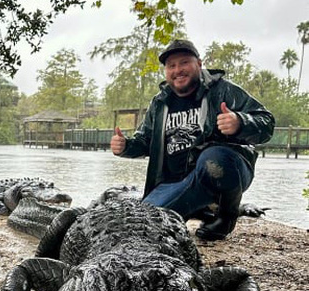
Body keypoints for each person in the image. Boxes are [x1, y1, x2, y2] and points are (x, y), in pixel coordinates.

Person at [110, 39, 275, 241]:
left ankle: (226, 216)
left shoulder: (223, 90)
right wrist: (126, 146)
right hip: (174, 182)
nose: (178, 70)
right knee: (143, 224)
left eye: (184, 63)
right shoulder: (160, 103)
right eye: (171, 65)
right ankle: (199, 209)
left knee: (213, 159)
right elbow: (145, 141)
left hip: (222, 169)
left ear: (199, 63)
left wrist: (240, 122)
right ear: (166, 71)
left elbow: (266, 122)